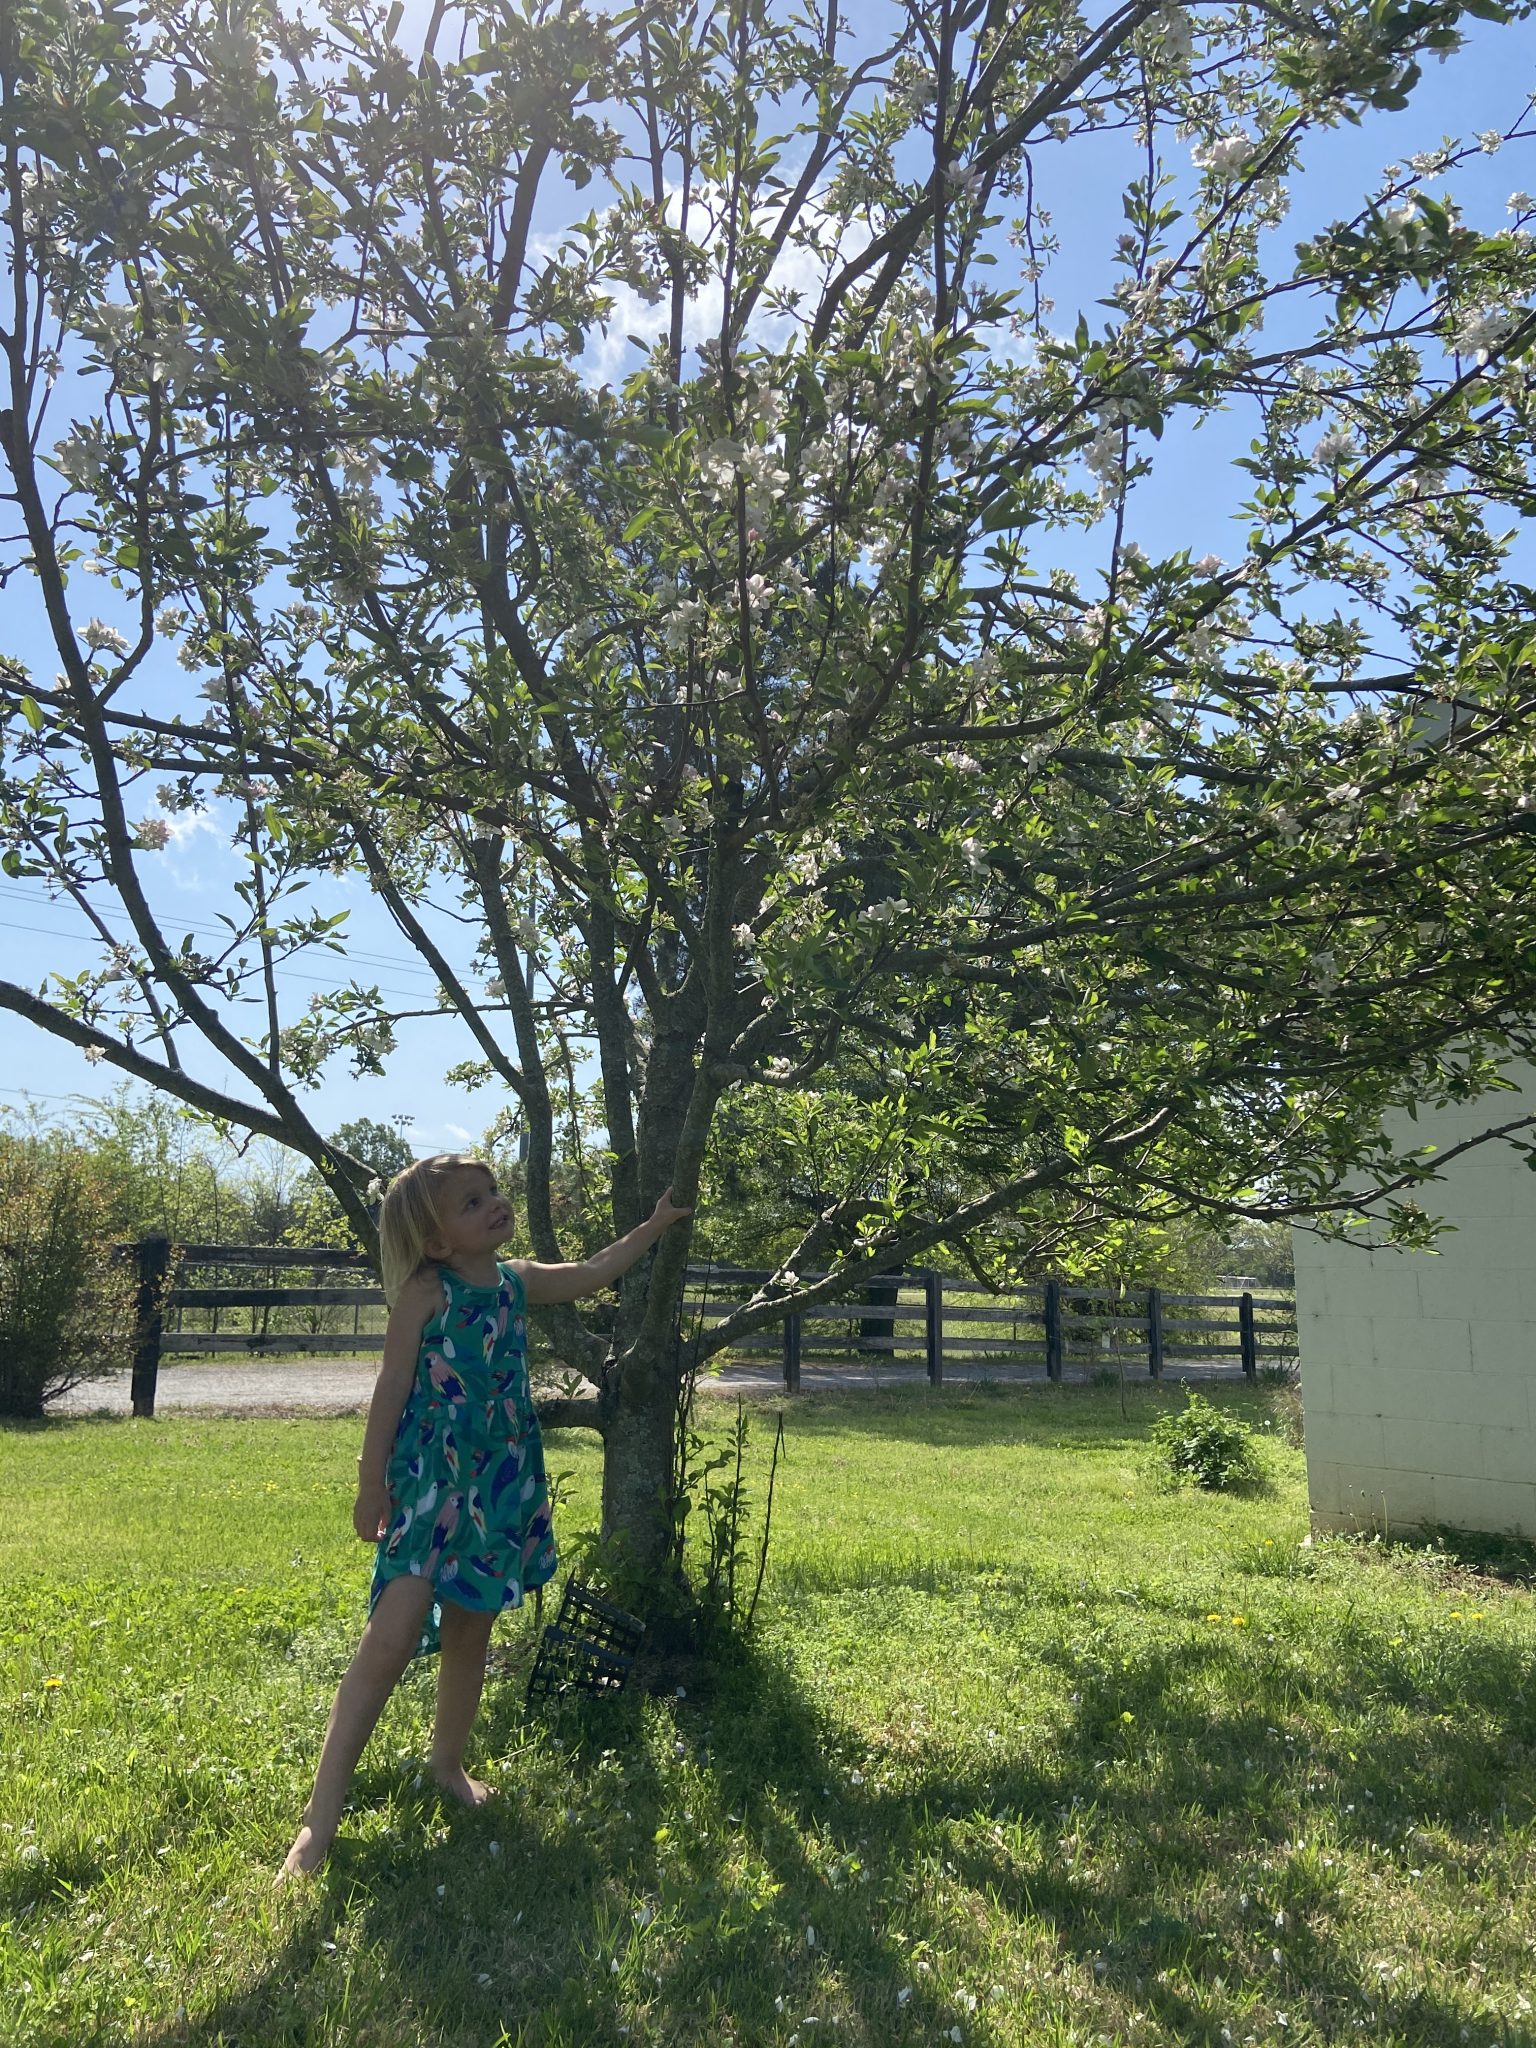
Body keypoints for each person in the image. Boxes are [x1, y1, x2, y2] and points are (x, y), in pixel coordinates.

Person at [279, 1153, 692, 1879]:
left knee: (472, 1627)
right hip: (431, 1483)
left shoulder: (515, 1281)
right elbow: (390, 1385)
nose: (496, 1203)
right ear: (438, 1241)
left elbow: (594, 1271)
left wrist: (653, 1226)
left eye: (493, 1191)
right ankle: (319, 1823)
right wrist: (370, 1482)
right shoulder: (424, 1293)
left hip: (499, 1482)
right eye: (472, 1203)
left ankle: (446, 1764)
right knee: (391, 1636)